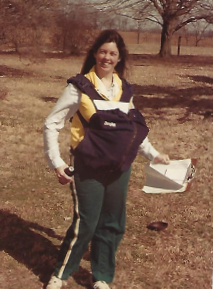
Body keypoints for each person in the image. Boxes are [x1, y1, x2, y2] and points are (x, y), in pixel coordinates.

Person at [43, 29, 169, 289]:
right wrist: (56, 162)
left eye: (112, 53)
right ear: (95, 54)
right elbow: (52, 123)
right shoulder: (79, 86)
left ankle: (101, 277)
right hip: (87, 166)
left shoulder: (125, 90)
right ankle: (61, 274)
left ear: (119, 58)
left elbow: (132, 132)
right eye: (103, 51)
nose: (107, 57)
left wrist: (154, 155)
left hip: (119, 168)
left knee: (112, 223)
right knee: (86, 222)